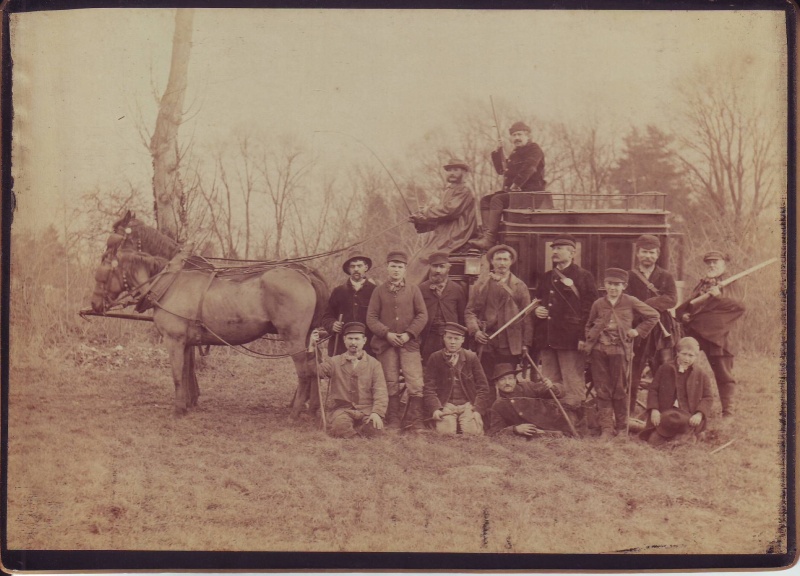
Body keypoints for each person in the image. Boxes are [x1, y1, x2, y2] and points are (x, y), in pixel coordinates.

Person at [584, 268, 660, 439]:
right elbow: (589, 324)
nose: (613, 288)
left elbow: (653, 316)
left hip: (620, 351)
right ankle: (606, 428)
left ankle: (622, 429)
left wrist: (637, 331)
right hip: (599, 351)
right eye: (610, 284)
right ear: (604, 285)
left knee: (619, 389)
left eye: (617, 285)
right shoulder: (598, 304)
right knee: (602, 389)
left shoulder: (630, 301)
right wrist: (591, 338)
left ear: (624, 286)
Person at [675, 251, 746, 418]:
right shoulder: (703, 283)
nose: (712, 265)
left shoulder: (732, 283)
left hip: (719, 336)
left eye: (716, 263)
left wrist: (719, 297)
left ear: (724, 265)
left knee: (723, 374)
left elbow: (740, 306)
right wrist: (683, 314)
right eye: (709, 263)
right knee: (682, 364)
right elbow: (692, 304)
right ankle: (680, 405)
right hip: (696, 332)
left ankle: (728, 413)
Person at [533, 234, 598, 417]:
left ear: (572, 253)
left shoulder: (584, 276)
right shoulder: (546, 277)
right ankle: (553, 418)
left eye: (559, 248)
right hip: (548, 338)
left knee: (572, 382)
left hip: (570, 339)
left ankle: (575, 420)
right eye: (553, 248)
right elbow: (538, 302)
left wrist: (583, 337)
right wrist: (537, 311)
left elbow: (590, 310)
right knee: (550, 381)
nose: (554, 252)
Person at [366, 250, 429, 431]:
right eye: (393, 266)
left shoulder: (413, 289)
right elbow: (371, 317)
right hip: (386, 344)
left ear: (405, 269)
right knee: (390, 381)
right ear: (387, 267)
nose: (396, 270)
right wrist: (387, 334)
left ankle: (415, 420)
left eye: (400, 267)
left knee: (415, 381)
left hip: (409, 344)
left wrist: (409, 334)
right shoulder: (378, 291)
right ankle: (393, 419)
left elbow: (422, 315)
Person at [465, 244, 532, 405]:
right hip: (486, 341)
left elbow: (527, 317)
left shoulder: (519, 286)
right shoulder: (481, 284)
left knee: (508, 381)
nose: (502, 263)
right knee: (485, 380)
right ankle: (487, 417)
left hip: (510, 343)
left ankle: (509, 416)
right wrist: (475, 331)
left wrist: (526, 344)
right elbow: (470, 311)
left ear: (511, 262)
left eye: (505, 259)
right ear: (492, 262)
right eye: (498, 259)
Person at [469, 121, 550, 250]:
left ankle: (490, 239)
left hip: (531, 194)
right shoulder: (515, 153)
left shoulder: (534, 149)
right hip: (516, 194)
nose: (516, 138)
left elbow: (530, 168)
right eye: (514, 135)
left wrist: (516, 184)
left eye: (520, 134)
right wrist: (497, 153)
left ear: (527, 136)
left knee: (497, 200)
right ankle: (486, 236)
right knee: (485, 201)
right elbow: (501, 171)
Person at [625, 234, 678, 414]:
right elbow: (625, 301)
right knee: (632, 373)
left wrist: (646, 305)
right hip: (637, 329)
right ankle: (628, 413)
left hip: (660, 332)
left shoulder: (666, 276)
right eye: (644, 252)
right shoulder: (629, 276)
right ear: (638, 254)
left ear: (658, 254)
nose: (648, 256)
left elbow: (672, 299)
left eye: (652, 253)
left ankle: (662, 413)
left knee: (663, 372)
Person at [407, 159, 478, 284]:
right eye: (449, 170)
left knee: (425, 258)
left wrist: (427, 211)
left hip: (457, 233)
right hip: (445, 231)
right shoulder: (449, 190)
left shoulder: (464, 190)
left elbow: (450, 211)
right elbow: (441, 218)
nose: (452, 173)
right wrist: (421, 220)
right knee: (416, 256)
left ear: (464, 172)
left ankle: (411, 292)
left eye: (456, 170)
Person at [311, 322, 388, 438]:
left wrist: (377, 413)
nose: (353, 342)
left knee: (375, 431)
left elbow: (380, 391)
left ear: (364, 340)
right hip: (342, 409)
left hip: (366, 409)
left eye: (357, 339)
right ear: (344, 340)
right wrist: (312, 347)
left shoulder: (374, 364)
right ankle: (352, 434)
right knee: (340, 428)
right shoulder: (334, 361)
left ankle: (360, 430)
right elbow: (316, 371)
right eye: (350, 339)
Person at [639, 336, 714, 446]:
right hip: (665, 414)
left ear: (696, 357)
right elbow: (653, 390)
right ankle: (672, 438)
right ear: (677, 353)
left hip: (688, 415)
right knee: (653, 442)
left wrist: (699, 414)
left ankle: (685, 437)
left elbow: (708, 397)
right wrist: (654, 410)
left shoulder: (701, 374)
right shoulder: (665, 368)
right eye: (684, 354)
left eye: (691, 355)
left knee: (683, 438)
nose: (686, 359)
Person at [422, 322, 491, 435]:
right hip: (446, 405)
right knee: (445, 433)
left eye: (456, 338)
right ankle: (452, 423)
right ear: (444, 337)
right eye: (449, 338)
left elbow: (483, 387)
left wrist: (477, 410)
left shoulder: (471, 357)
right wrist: (436, 408)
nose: (452, 342)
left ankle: (463, 422)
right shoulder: (435, 358)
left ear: (462, 340)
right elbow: (429, 387)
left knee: (473, 433)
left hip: (468, 405)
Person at [487, 363, 575, 437]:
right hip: (536, 432)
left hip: (554, 421)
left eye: (510, 378)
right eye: (502, 379)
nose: (507, 383)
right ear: (496, 383)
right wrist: (515, 429)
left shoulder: (527, 387)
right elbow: (495, 432)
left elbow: (560, 392)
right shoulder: (498, 405)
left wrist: (552, 387)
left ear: (515, 380)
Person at [320, 250, 377, 358]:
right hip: (342, 347)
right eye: (352, 266)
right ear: (348, 269)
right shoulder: (338, 291)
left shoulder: (375, 291)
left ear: (366, 267)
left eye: (359, 265)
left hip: (368, 348)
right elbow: (327, 316)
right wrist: (332, 324)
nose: (356, 269)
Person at [418, 251, 467, 363]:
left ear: (448, 268)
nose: (438, 270)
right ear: (430, 267)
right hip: (428, 338)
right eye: (435, 266)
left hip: (451, 338)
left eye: (442, 266)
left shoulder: (457, 289)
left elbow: (462, 317)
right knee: (428, 368)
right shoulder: (421, 289)